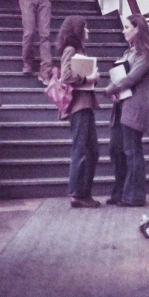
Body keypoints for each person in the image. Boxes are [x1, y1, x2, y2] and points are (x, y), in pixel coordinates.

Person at [104, 14, 149, 207]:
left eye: (127, 27)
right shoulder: (129, 53)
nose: (124, 30)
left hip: (134, 108)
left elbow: (130, 79)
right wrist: (115, 90)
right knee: (116, 150)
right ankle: (120, 193)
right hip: (121, 106)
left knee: (131, 151)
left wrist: (111, 89)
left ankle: (134, 196)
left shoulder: (145, 55)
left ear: (137, 29)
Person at [56, 16, 101, 208]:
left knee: (91, 150)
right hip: (78, 106)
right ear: (77, 31)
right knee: (82, 149)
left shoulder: (79, 50)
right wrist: (88, 79)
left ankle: (82, 192)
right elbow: (66, 75)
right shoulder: (70, 50)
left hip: (84, 105)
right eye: (85, 28)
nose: (88, 31)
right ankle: (78, 193)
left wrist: (90, 78)